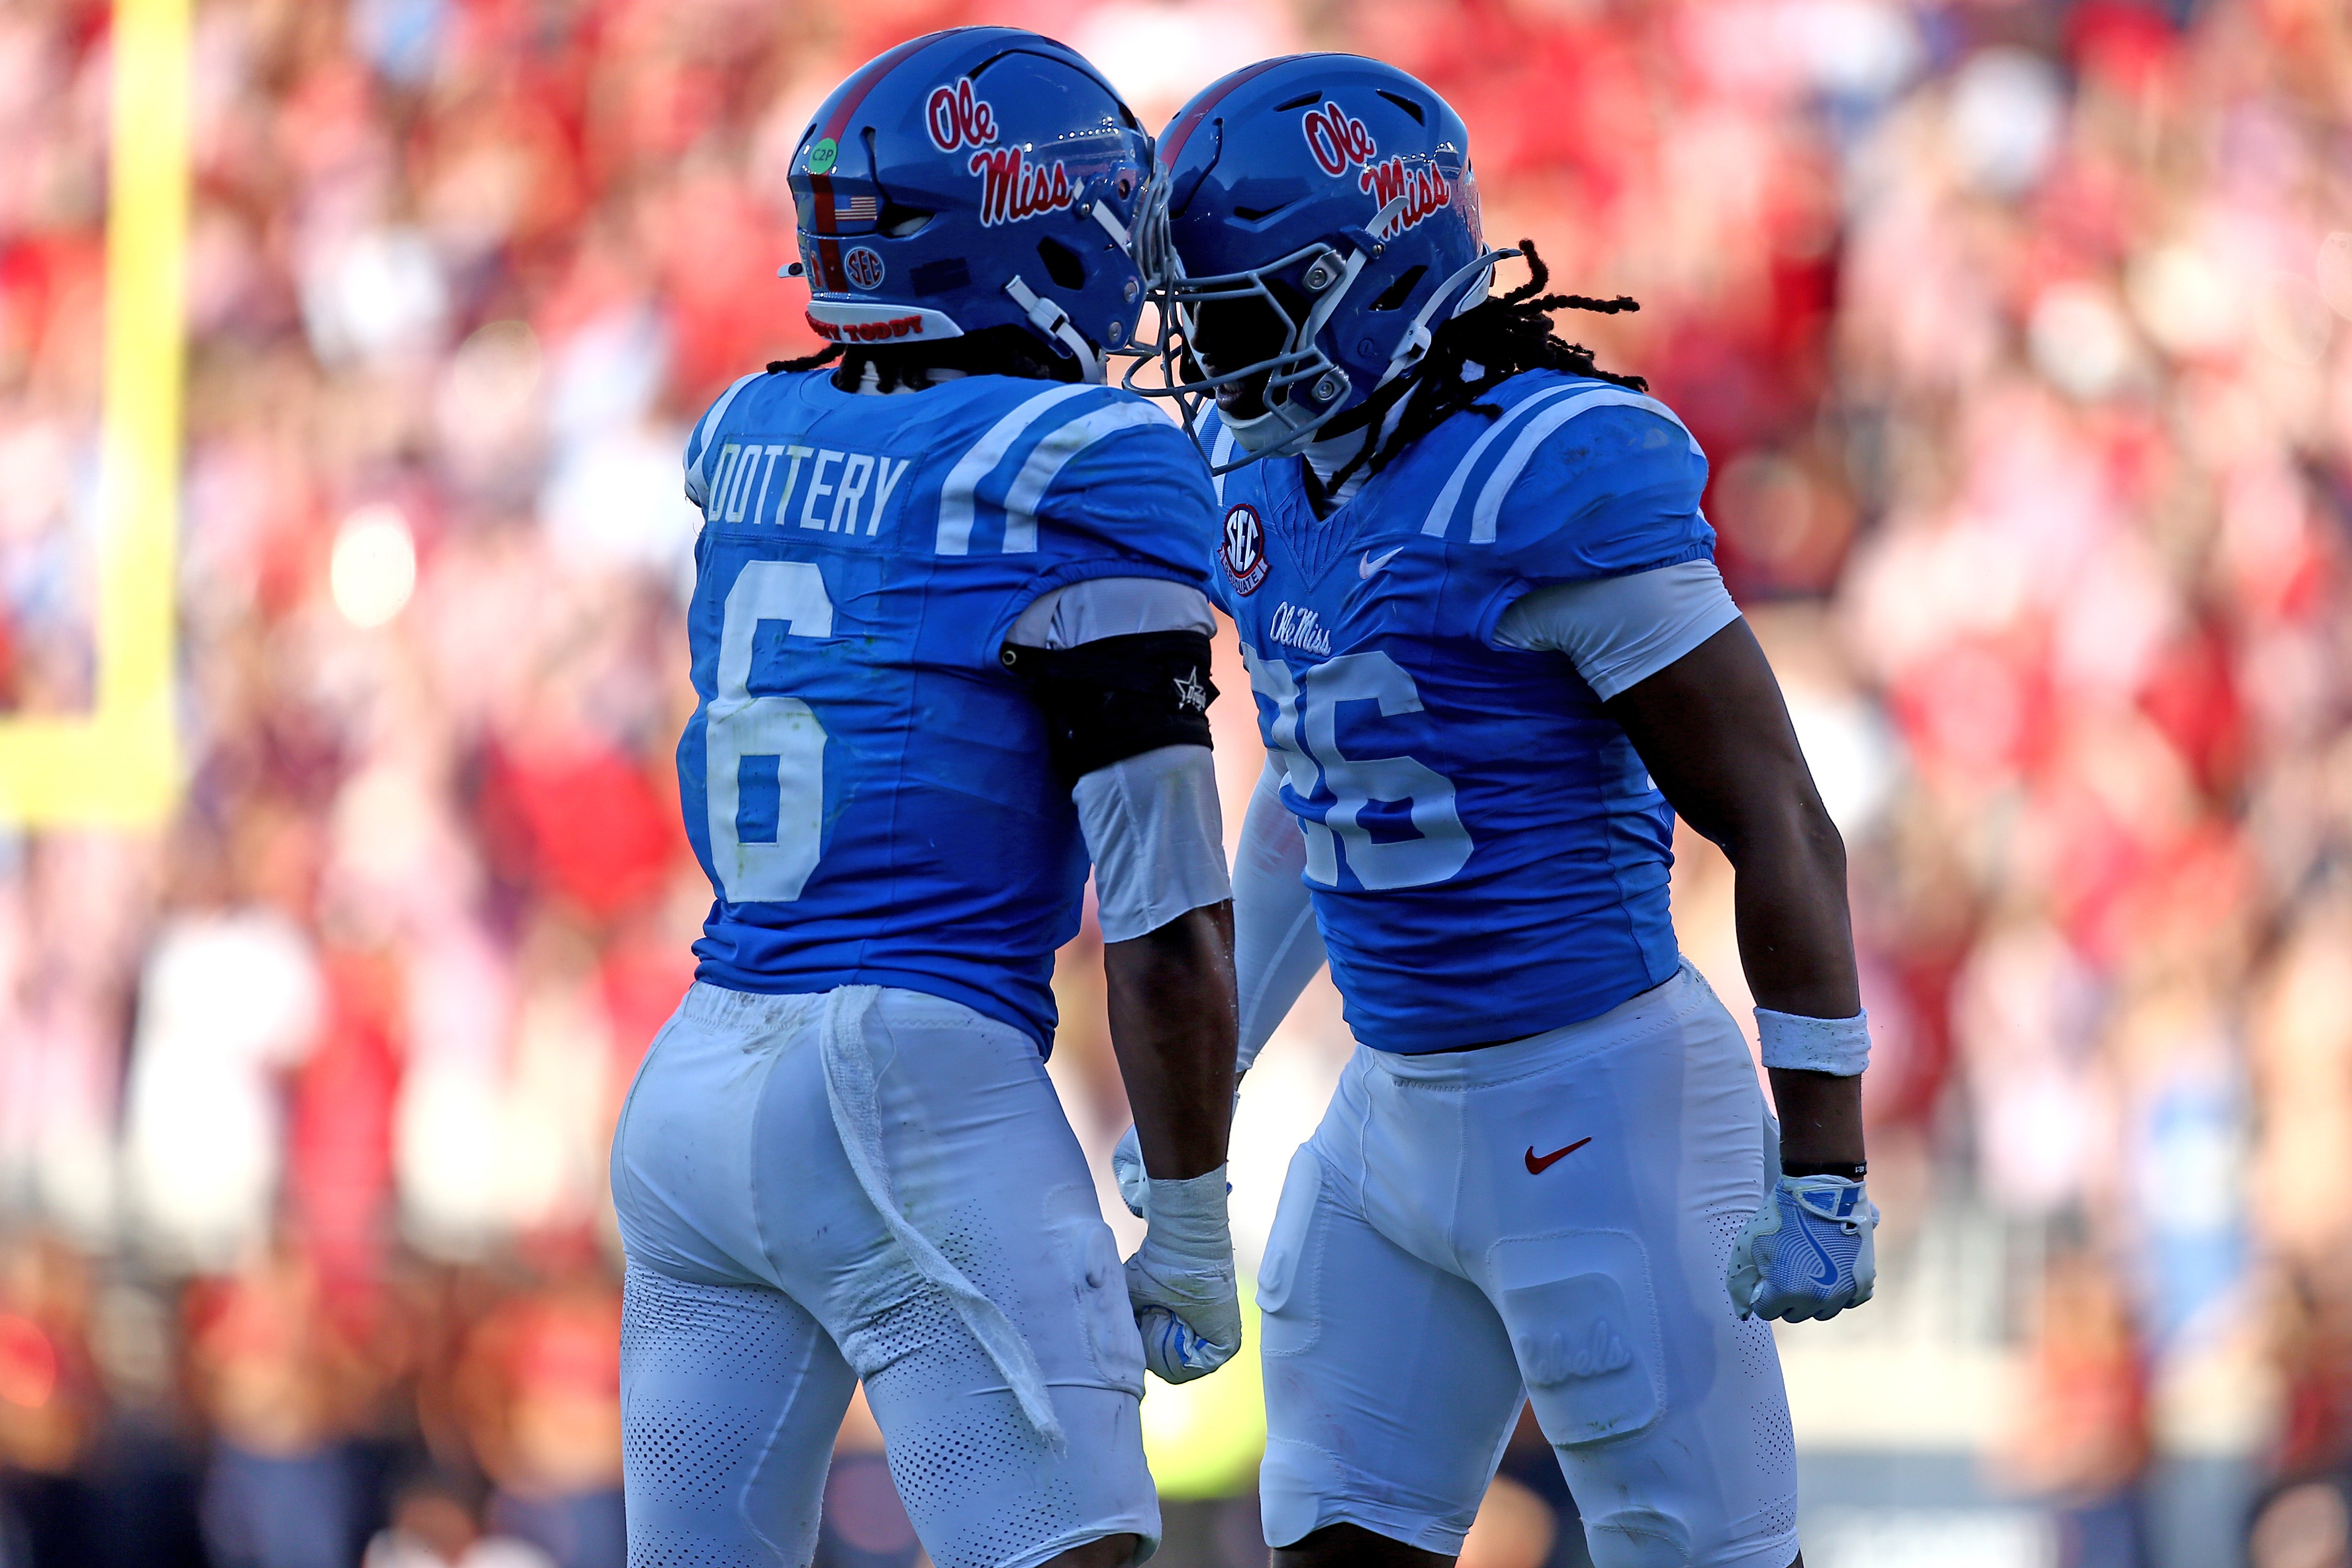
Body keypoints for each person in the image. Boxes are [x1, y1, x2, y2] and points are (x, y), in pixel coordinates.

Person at [1118, 54, 1880, 1568]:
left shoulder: (1546, 467)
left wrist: (1828, 1163)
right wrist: (1216, 1066)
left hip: (1598, 1108)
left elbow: (1776, 814)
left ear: (1371, 276)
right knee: (1333, 1540)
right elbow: (1310, 797)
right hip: (1391, 1115)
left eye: (1240, 305)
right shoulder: (1263, 475)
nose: (1204, 352)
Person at [608, 29, 1243, 1568]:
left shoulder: (748, 427)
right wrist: (1193, 1213)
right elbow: (1162, 909)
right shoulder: (1074, 453)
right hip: (905, 1078)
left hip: (696, 1080)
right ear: (1034, 226)